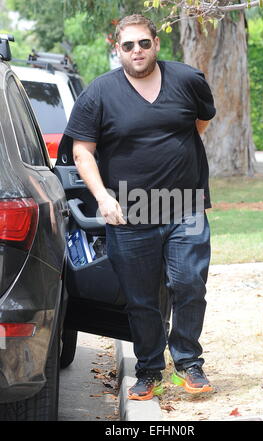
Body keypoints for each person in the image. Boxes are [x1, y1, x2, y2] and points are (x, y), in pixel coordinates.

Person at [64, 14, 216, 401]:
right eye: (128, 45)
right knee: (141, 297)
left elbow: (199, 123)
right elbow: (82, 151)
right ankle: (149, 369)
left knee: (188, 285)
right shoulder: (98, 93)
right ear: (117, 48)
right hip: (129, 213)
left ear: (156, 44)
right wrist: (103, 197)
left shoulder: (187, 80)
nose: (136, 51)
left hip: (185, 205)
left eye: (143, 43)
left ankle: (188, 361)